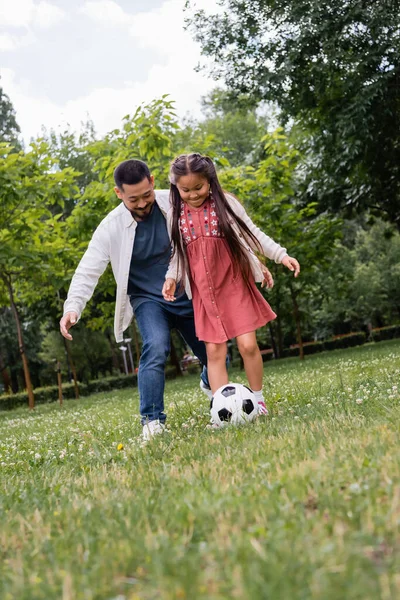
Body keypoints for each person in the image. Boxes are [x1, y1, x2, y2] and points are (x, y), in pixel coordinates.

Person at [60, 159, 214, 441]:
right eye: (134, 199)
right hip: (147, 300)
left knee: (215, 354)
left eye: (147, 195)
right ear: (119, 194)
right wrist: (72, 307)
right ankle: (152, 421)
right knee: (155, 347)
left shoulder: (174, 203)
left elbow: (213, 216)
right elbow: (87, 270)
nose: (143, 203)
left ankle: (210, 381)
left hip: (185, 292)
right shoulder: (110, 227)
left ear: (153, 181)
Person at [162, 153, 300, 415]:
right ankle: (220, 410)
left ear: (210, 180)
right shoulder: (175, 216)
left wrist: (281, 255)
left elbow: (253, 235)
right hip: (204, 293)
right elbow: (177, 255)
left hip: (234, 283)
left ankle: (258, 401)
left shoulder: (226, 205)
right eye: (185, 190)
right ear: (175, 187)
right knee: (214, 353)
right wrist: (171, 277)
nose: (192, 195)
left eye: (198, 187)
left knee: (248, 344)